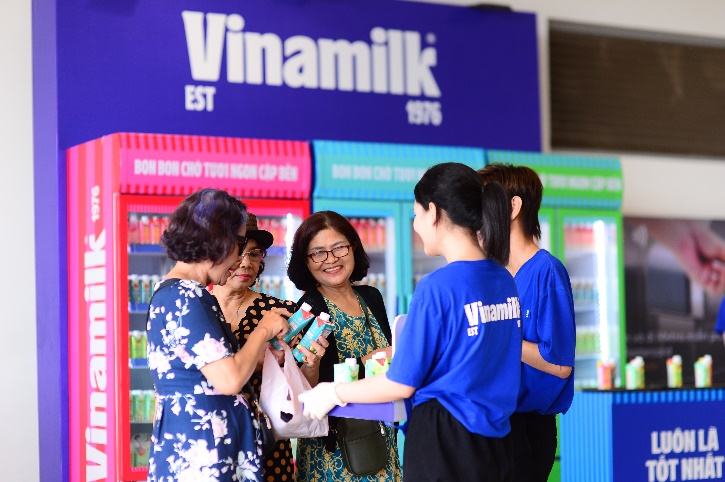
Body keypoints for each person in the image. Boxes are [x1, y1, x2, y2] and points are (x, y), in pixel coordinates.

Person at [299, 163, 522, 482]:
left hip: (446, 440)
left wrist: (333, 392)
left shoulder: (439, 287)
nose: (416, 225)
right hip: (497, 439)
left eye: (416, 214)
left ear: (433, 212)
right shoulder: (503, 279)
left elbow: (401, 381)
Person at [146, 188, 290, 482]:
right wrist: (263, 330)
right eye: (239, 243)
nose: (240, 257)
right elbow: (229, 380)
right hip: (204, 456)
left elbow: (201, 371)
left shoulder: (173, 292)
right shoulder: (187, 296)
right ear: (218, 241)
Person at [286, 210, 402, 481]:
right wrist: (367, 361)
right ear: (305, 261)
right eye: (318, 253)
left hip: (380, 434)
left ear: (353, 248)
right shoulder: (308, 309)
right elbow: (306, 390)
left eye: (339, 248)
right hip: (335, 449)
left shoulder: (371, 296)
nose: (331, 259)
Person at [478, 163, 576, 482]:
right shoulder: (490, 271)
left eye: (484, 202)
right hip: (493, 419)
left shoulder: (547, 271)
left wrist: (501, 337)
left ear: (513, 207)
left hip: (529, 427)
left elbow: (559, 363)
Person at [210, 212, 316, 482]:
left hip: (264, 445)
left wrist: (307, 363)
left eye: (255, 254)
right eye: (238, 252)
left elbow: (304, 386)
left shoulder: (280, 312)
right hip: (205, 441)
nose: (246, 263)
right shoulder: (195, 308)